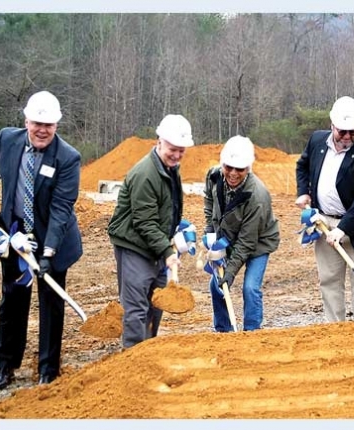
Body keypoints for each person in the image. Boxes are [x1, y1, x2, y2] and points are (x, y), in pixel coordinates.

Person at [0, 90, 83, 389]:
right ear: (26, 120)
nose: (42, 130)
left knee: (51, 304)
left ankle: (47, 370)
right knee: (13, 300)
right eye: (36, 123)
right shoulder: (7, 140)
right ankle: (6, 365)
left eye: (49, 124)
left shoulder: (67, 157)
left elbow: (60, 209)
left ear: (57, 125)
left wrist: (48, 254)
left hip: (53, 237)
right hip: (15, 236)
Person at [108, 114, 194, 348]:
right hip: (135, 245)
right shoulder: (145, 173)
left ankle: (147, 350)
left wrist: (175, 230)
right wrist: (167, 251)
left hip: (155, 243)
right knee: (136, 306)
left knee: (156, 302)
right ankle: (133, 358)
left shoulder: (169, 168)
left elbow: (166, 207)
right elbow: (144, 221)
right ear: (159, 141)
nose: (176, 155)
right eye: (172, 149)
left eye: (181, 150)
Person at [295, 96, 354, 322]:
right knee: (329, 280)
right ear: (332, 125)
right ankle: (334, 328)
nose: (346, 137)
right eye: (342, 131)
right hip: (324, 223)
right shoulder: (317, 141)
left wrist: (343, 229)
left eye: (351, 132)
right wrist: (303, 191)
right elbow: (302, 165)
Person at [203, 135, 280, 332]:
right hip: (228, 236)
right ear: (222, 164)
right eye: (228, 167)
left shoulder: (257, 196)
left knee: (250, 288)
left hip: (258, 241)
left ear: (249, 168)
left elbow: (247, 242)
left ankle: (252, 332)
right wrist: (211, 230)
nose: (233, 173)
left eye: (240, 169)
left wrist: (230, 272)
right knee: (216, 285)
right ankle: (223, 330)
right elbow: (209, 201)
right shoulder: (214, 176)